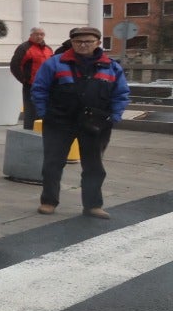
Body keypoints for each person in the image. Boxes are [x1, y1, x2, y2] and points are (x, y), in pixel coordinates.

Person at [32, 26, 128, 218]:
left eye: (88, 41)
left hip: (95, 124)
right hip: (59, 122)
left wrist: (114, 117)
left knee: (94, 166)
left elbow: (121, 94)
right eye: (78, 41)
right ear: (72, 43)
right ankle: (49, 201)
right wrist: (45, 114)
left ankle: (93, 205)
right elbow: (39, 89)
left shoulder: (111, 67)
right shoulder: (55, 64)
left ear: (98, 43)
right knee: (52, 164)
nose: (83, 45)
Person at [9, 26, 53, 129]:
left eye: (41, 34)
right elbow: (15, 65)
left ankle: (43, 130)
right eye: (36, 34)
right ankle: (29, 131)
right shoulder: (24, 48)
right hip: (31, 84)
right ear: (31, 35)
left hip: (47, 84)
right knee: (31, 110)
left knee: (45, 108)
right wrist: (24, 80)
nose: (39, 36)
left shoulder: (48, 49)